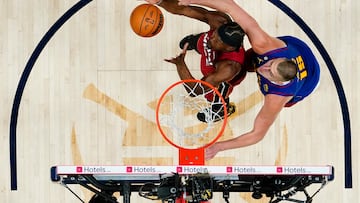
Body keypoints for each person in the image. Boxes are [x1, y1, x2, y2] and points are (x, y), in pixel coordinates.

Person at [177, 0, 320, 159]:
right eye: (269, 64)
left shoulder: (278, 96)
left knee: (236, 67)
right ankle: (204, 45)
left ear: (278, 82)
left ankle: (222, 106)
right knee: (239, 64)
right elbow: (230, 6)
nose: (263, 68)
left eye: (269, 73)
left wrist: (219, 147)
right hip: (299, 48)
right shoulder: (266, 46)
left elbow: (257, 134)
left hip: (309, 81)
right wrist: (192, 0)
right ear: (276, 58)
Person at [145, 0, 247, 122]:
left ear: (228, 48)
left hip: (219, 74)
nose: (212, 37)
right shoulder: (220, 21)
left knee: (213, 90)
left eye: (216, 40)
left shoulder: (229, 68)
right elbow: (184, 9)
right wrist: (159, 2)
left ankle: (220, 108)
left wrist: (180, 64)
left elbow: (195, 90)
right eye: (214, 34)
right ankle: (195, 42)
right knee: (204, 41)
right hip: (215, 53)